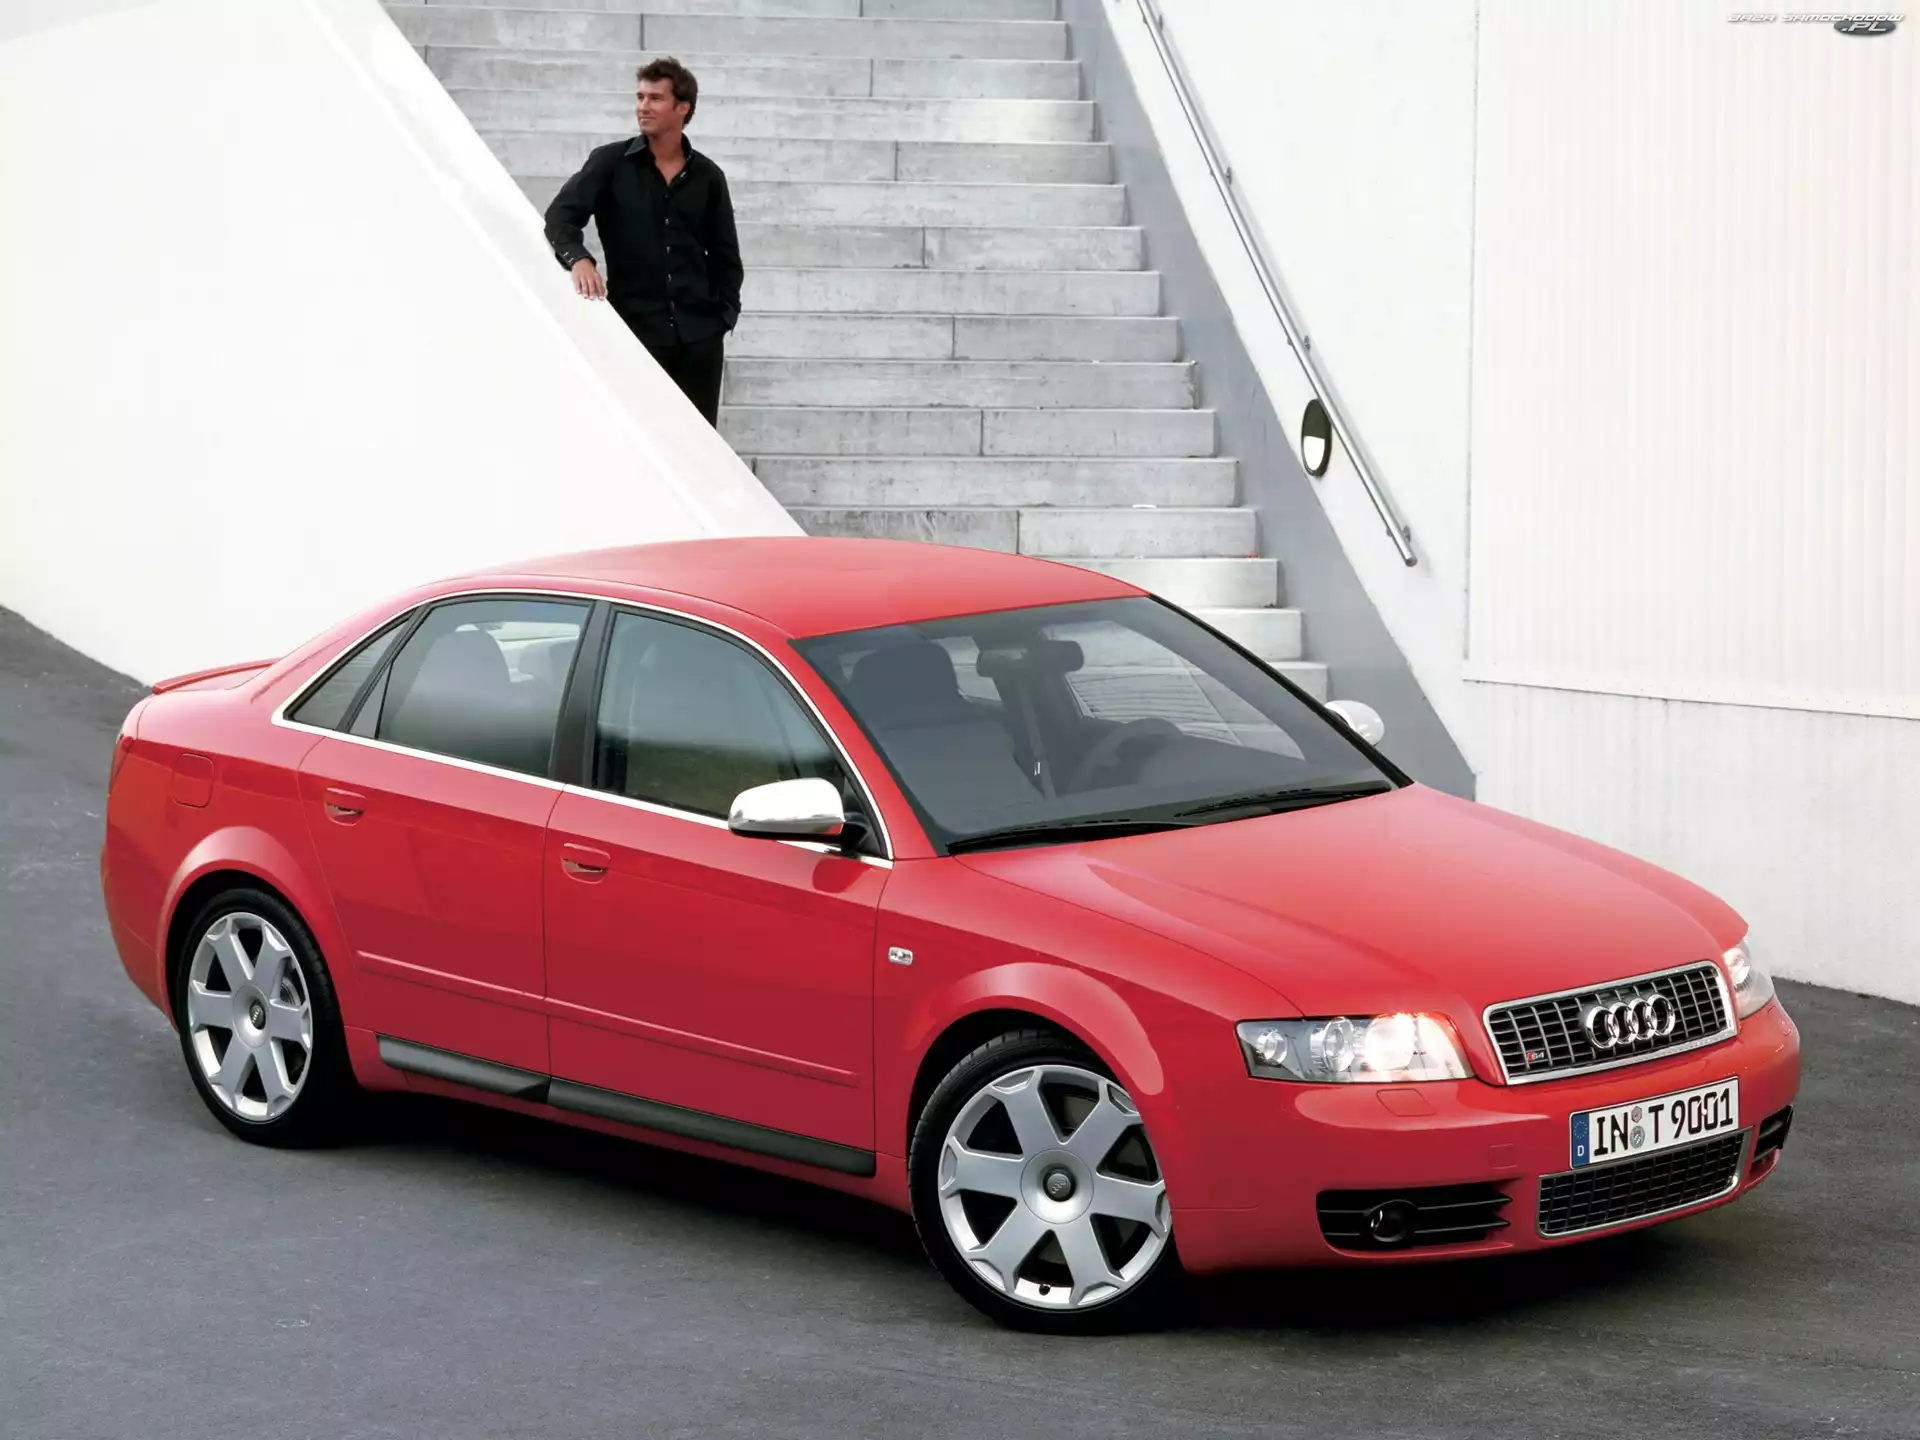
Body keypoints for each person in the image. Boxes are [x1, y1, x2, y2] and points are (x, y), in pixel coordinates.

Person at [543, 57, 741, 428]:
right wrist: (579, 259)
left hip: (699, 339)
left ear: (682, 108)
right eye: (640, 97)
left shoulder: (708, 176)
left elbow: (726, 255)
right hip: (635, 334)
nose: (643, 106)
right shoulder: (610, 163)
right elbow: (560, 217)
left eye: (655, 98)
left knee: (698, 445)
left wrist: (723, 316)